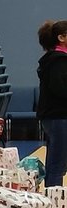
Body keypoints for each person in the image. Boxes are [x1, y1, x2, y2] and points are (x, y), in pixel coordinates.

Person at [36, 20, 67, 188]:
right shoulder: (58, 61)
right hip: (58, 116)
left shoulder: (55, 59)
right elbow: (59, 88)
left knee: (56, 162)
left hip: (55, 117)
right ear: (61, 37)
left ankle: (52, 199)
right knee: (57, 164)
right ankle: (55, 204)